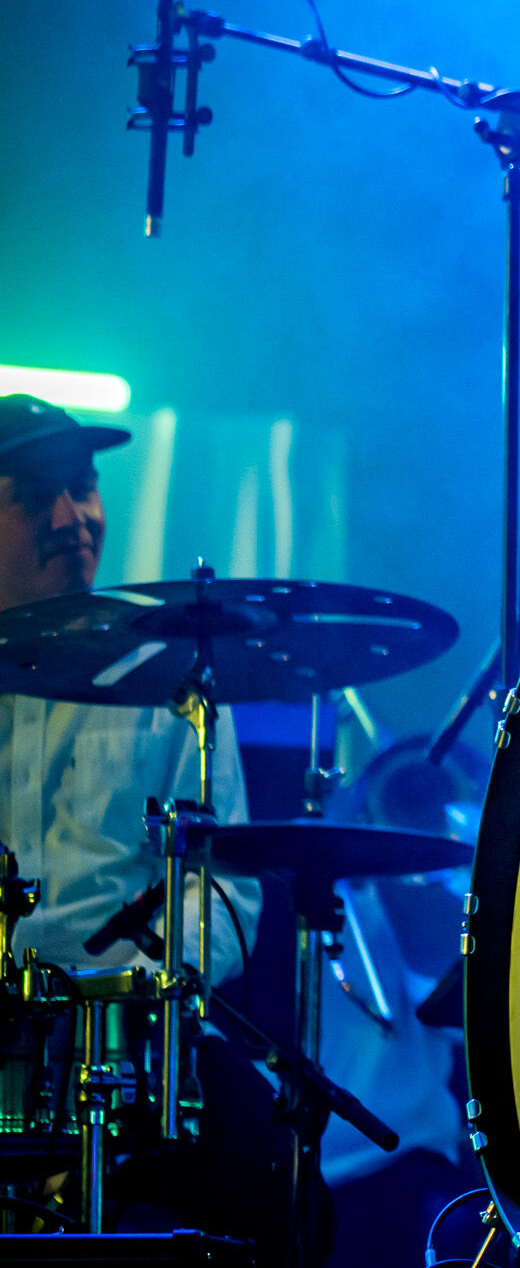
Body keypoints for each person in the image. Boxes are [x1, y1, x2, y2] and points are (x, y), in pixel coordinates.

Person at [0, 392, 283, 1248]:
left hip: (134, 1038)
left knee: (283, 1194)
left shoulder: (170, 677)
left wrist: (133, 996)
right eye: (37, 497)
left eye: (83, 488)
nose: (74, 517)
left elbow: (225, 888)